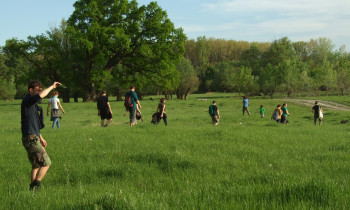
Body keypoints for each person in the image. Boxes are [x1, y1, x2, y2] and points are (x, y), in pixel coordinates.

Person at [21, 80, 61, 191]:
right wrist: (52, 87)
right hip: (30, 138)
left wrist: (40, 137)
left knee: (36, 165)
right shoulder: (28, 100)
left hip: (32, 136)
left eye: (40, 89)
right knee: (46, 162)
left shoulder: (32, 104)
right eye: (37, 89)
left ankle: (32, 189)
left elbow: (32, 124)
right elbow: (41, 95)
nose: (40, 91)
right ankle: (36, 185)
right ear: (31, 90)